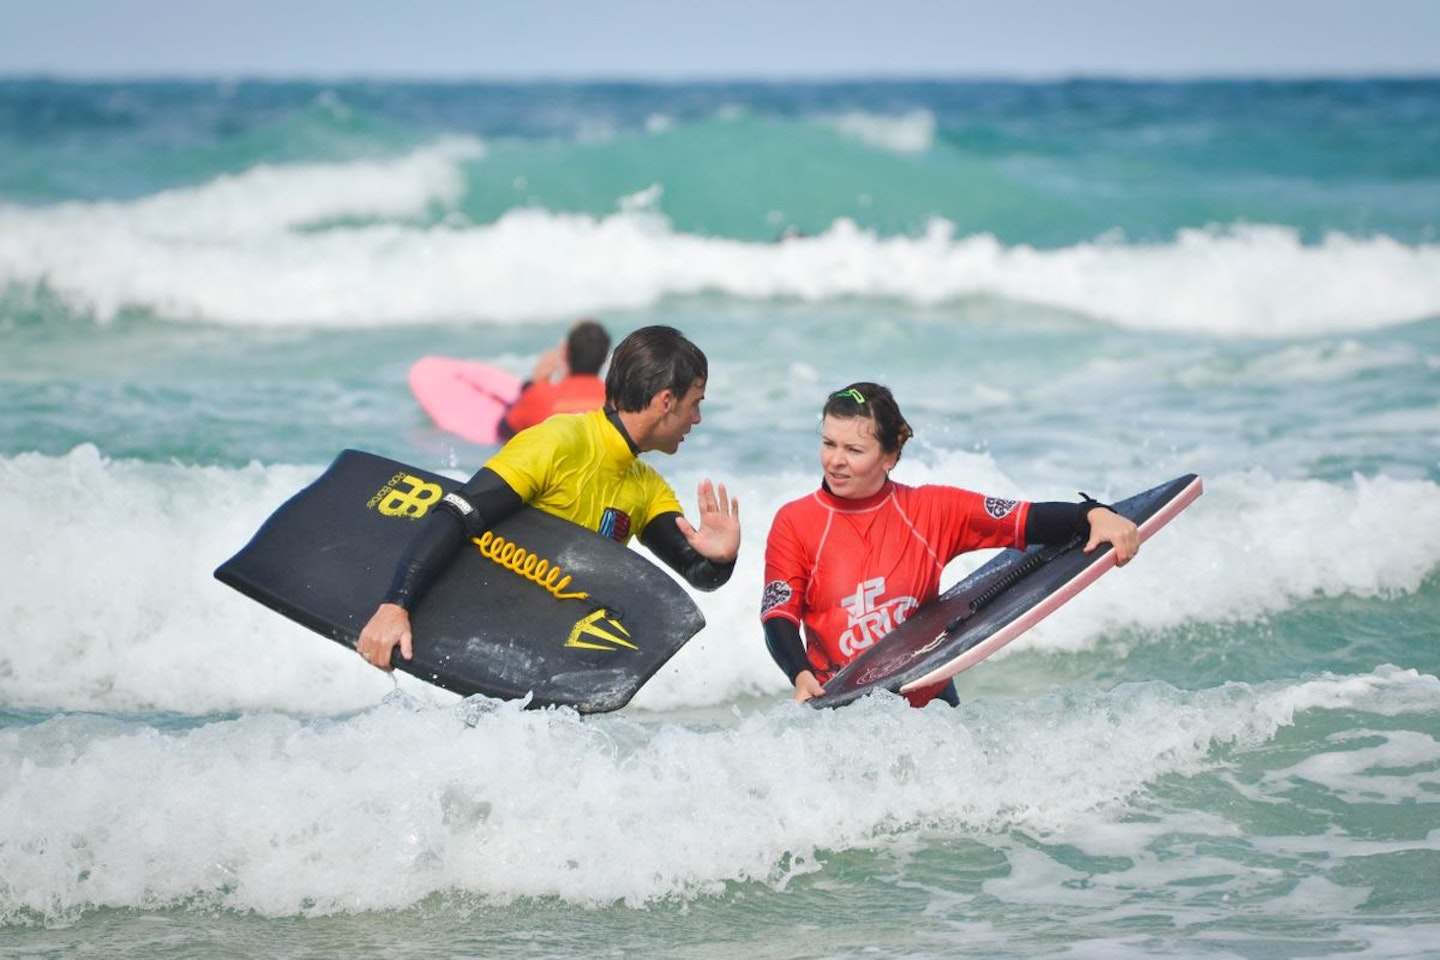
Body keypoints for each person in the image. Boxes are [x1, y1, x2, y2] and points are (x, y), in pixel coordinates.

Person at [359, 325, 740, 671]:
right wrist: (396, 605)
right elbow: (459, 512)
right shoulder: (559, 441)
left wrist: (721, 558)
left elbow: (696, 574)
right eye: (696, 403)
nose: (698, 419)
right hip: (489, 637)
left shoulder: (647, 486)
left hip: (551, 657)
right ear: (666, 401)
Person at [760, 382, 1140, 708]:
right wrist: (800, 673)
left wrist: (1092, 514)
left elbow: (1025, 520)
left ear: (890, 456)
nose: (835, 461)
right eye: (828, 444)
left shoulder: (932, 509)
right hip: (841, 706)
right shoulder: (796, 522)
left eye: (854, 450)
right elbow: (779, 616)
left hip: (930, 709)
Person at [497, 319, 611, 440]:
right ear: (605, 358)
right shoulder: (616, 400)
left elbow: (503, 432)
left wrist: (530, 385)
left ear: (566, 352)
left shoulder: (539, 394)